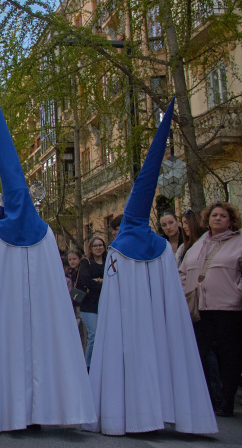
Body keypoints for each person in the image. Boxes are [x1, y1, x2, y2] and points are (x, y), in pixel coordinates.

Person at [86, 101, 217, 435]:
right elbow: (170, 298)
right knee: (164, 352)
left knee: (130, 355)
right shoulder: (161, 248)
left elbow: (111, 302)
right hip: (159, 322)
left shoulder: (117, 251)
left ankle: (129, 412)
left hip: (127, 323)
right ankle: (169, 409)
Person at [0, 87, 94, 432]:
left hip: (6, 315)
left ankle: (10, 412)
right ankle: (43, 410)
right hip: (40, 314)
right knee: (43, 346)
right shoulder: (44, 233)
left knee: (8, 349)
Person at [180, 201, 242, 418]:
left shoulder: (238, 243)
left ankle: (226, 402)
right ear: (207, 219)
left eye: (223, 216)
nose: (218, 218)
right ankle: (208, 400)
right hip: (199, 309)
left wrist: (237, 293)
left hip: (228, 309)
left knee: (229, 357)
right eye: (214, 215)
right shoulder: (197, 245)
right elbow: (182, 272)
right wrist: (184, 292)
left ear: (231, 220)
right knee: (201, 354)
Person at [78, 236, 105, 370]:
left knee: (104, 335)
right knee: (93, 335)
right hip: (89, 304)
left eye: (100, 245)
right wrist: (103, 283)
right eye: (95, 246)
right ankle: (88, 365)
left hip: (104, 303)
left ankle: (101, 363)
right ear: (90, 248)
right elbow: (85, 281)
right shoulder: (86, 262)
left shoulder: (108, 261)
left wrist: (98, 280)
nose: (98, 248)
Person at [67, 248, 88, 349]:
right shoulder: (72, 274)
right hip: (76, 305)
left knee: (84, 331)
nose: (72, 262)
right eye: (70, 259)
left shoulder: (82, 272)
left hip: (83, 305)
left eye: (74, 259)